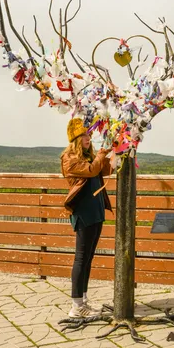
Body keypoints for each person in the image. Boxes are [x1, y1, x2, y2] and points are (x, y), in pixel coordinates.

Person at [61, 118, 113, 318]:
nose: (88, 138)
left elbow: (105, 169)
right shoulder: (69, 158)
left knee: (89, 257)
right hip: (84, 212)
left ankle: (83, 300)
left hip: (96, 210)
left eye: (89, 134)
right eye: (84, 134)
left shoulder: (88, 155)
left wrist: (114, 152)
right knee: (81, 258)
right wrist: (100, 155)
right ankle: (75, 306)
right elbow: (91, 171)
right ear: (75, 138)